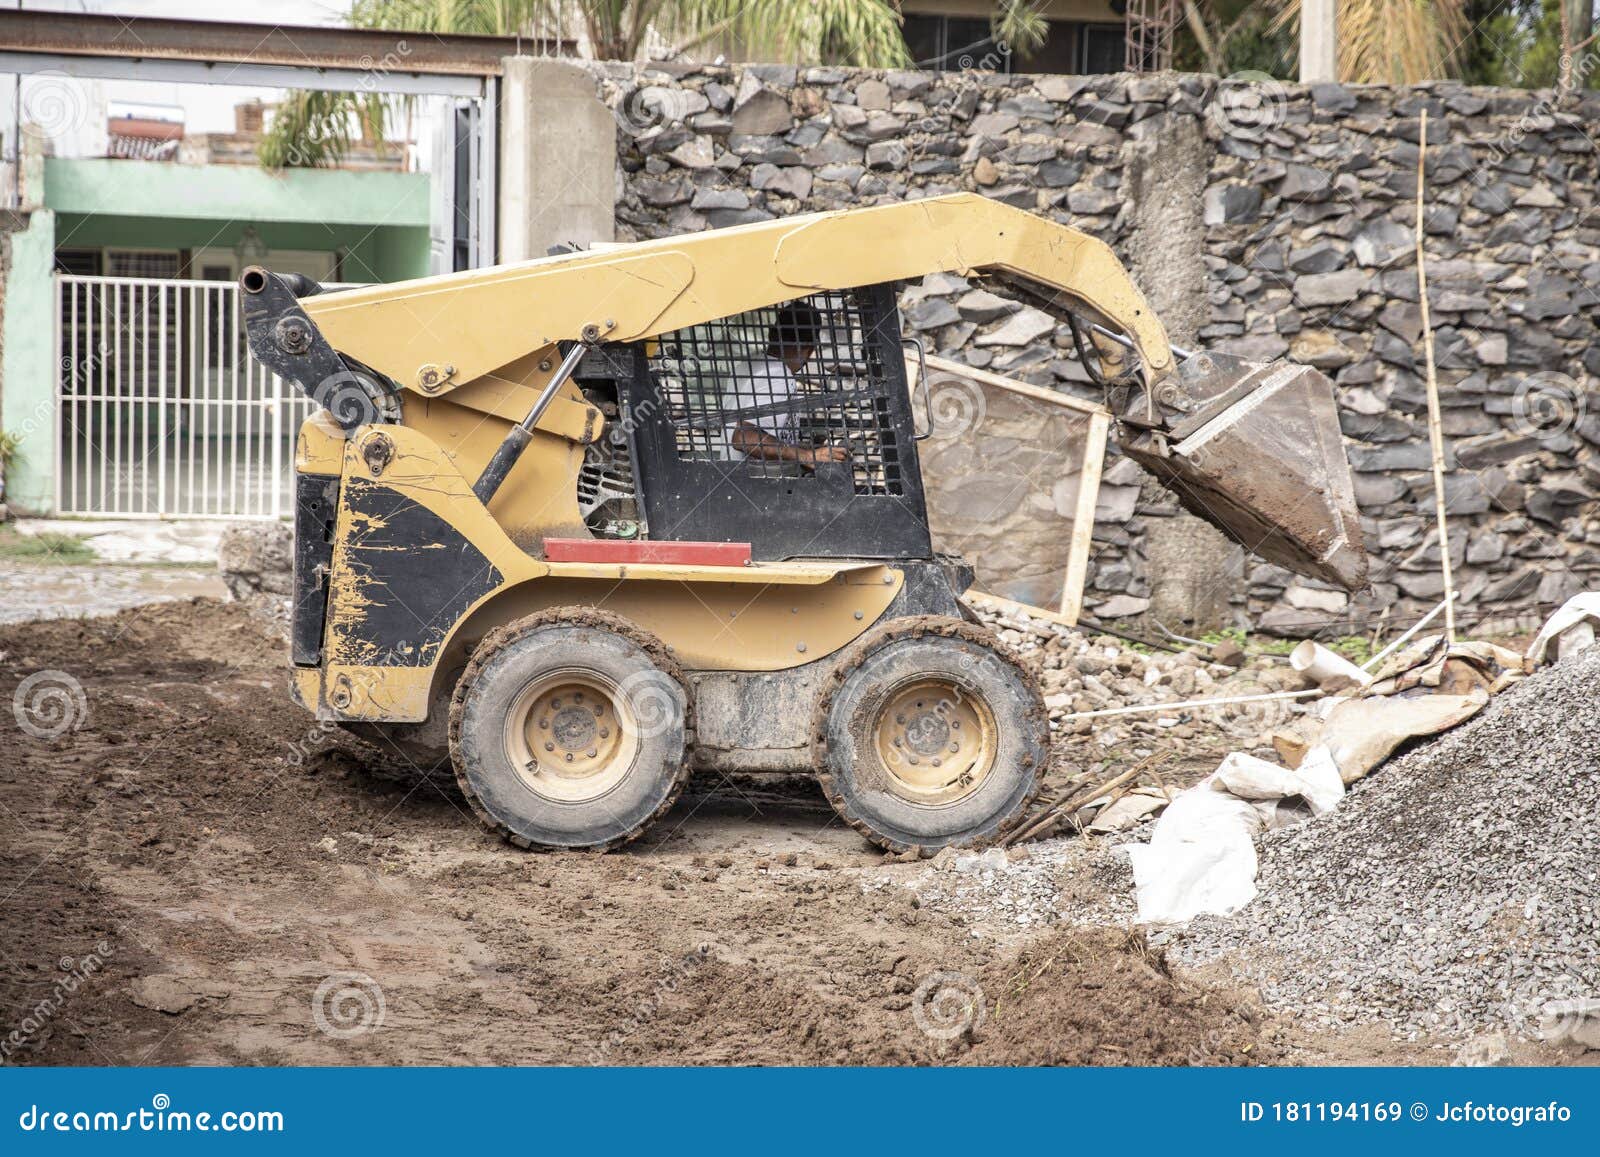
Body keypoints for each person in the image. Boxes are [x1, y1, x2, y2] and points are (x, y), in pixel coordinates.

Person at [726, 302, 850, 468]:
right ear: (810, 349)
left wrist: (808, 451)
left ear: (771, 334)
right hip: (757, 485)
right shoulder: (779, 375)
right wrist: (806, 456)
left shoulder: (747, 366)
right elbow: (743, 438)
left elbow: (767, 437)